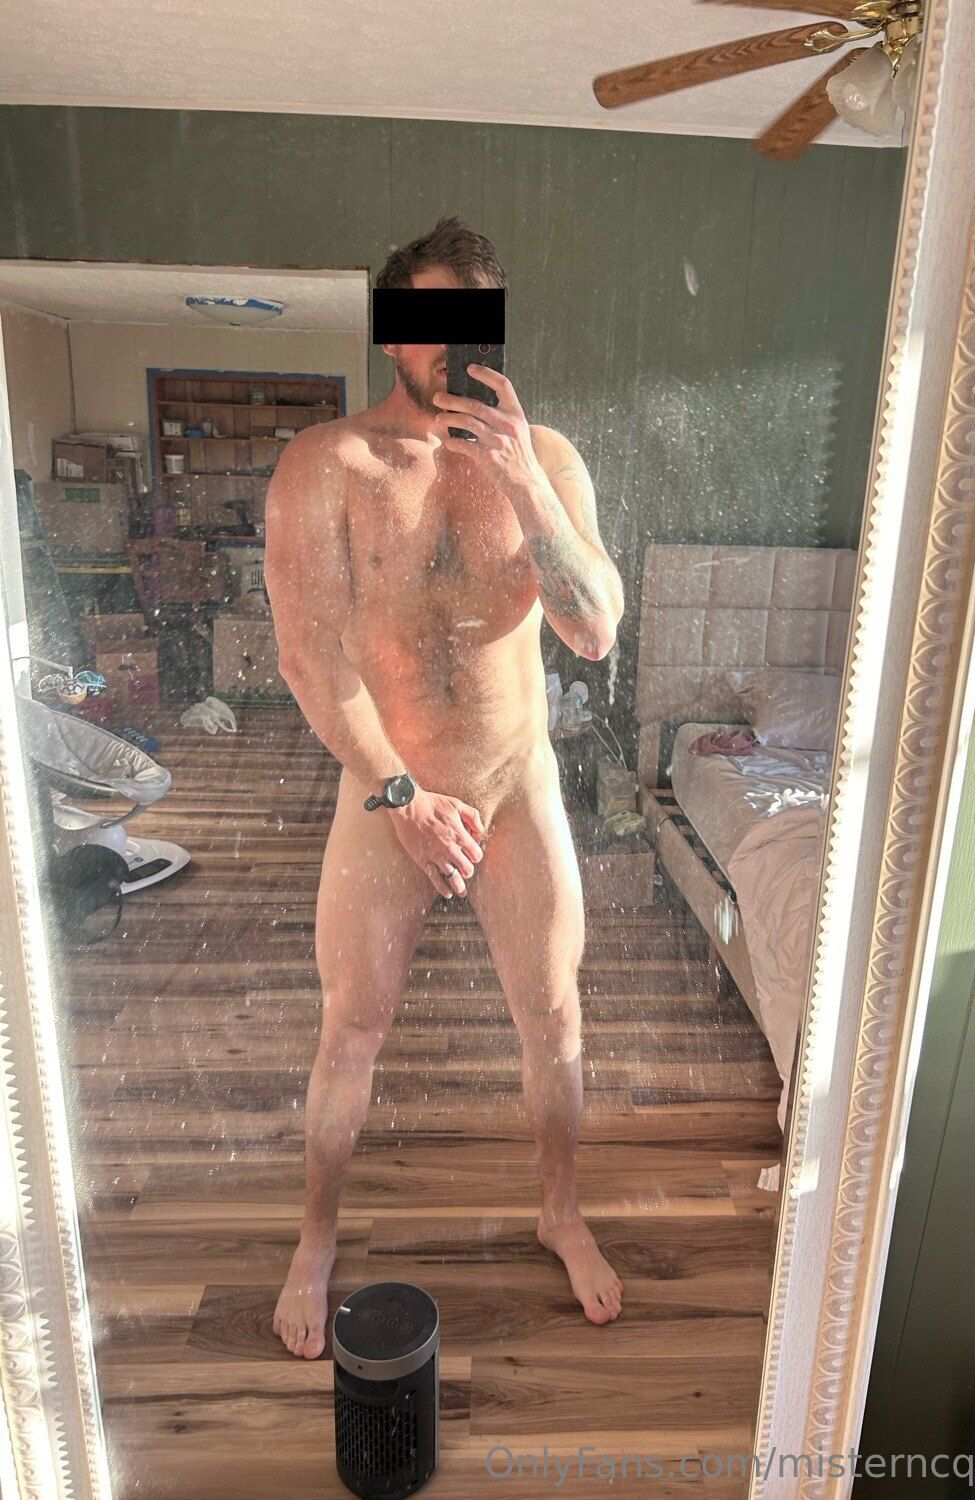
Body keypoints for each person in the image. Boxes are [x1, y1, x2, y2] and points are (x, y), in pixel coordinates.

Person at [264, 216, 626, 1358]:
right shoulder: (328, 465)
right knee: (353, 1025)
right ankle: (317, 1235)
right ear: (391, 333)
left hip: (518, 784)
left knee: (554, 1013)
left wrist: (524, 485)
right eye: (429, 322)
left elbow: (594, 631)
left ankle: (558, 1210)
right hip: (388, 790)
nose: (452, 343)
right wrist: (401, 798)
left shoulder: (547, 460)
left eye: (473, 321)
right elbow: (307, 659)